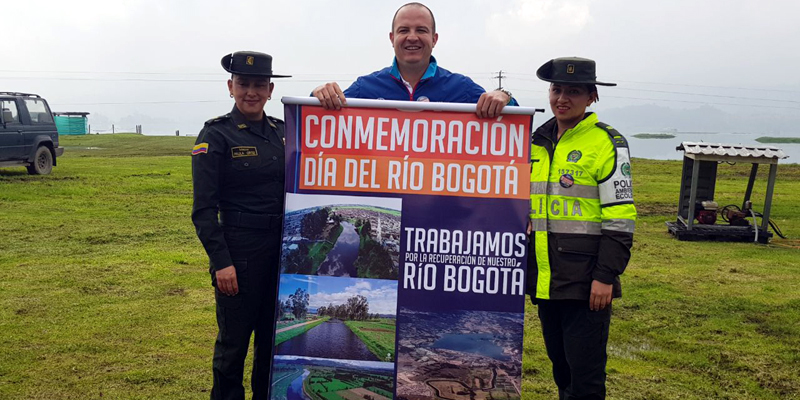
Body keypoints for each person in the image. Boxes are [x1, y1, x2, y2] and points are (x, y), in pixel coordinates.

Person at [527, 57, 637, 400]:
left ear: (592, 97)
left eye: (573, 91)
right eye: (557, 89)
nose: (562, 98)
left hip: (587, 284)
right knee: (561, 371)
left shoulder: (607, 143)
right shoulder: (535, 140)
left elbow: (620, 220)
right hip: (545, 280)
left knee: (586, 379)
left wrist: (605, 277)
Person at [191, 51, 290, 400]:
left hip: (281, 254)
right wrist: (222, 263)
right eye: (244, 84)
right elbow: (203, 210)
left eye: (259, 85)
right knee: (233, 347)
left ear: (270, 89)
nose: (251, 92)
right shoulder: (216, 135)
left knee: (271, 343)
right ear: (230, 87)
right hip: (240, 255)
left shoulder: (283, 131)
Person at [312, 2, 516, 117]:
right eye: (403, 30)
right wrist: (318, 94)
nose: (412, 37)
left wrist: (504, 96)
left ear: (434, 39)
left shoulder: (461, 88)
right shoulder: (365, 87)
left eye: (421, 30)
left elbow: (514, 122)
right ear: (392, 38)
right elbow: (316, 117)